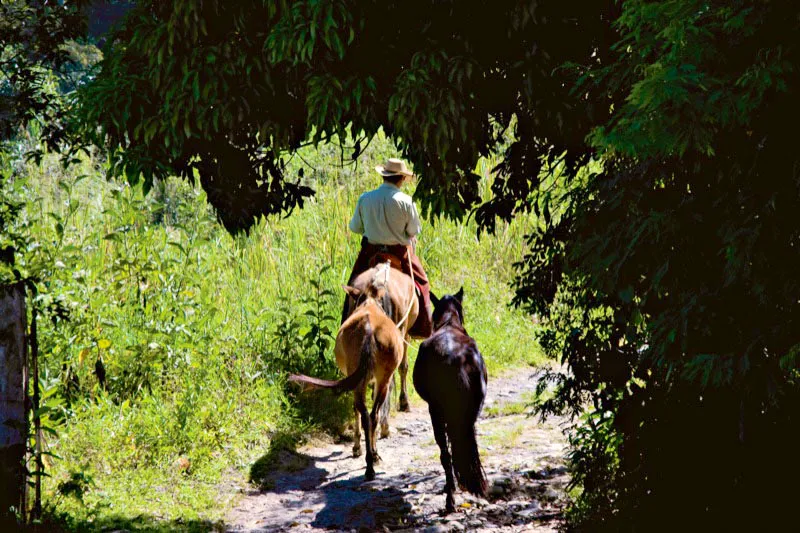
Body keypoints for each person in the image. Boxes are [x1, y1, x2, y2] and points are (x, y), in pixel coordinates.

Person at [344, 157, 433, 338]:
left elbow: (355, 228)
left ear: (384, 176)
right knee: (423, 284)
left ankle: (345, 323)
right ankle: (423, 329)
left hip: (371, 251)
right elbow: (413, 230)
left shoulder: (365, 198)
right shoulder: (407, 201)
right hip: (399, 253)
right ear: (401, 178)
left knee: (352, 287)